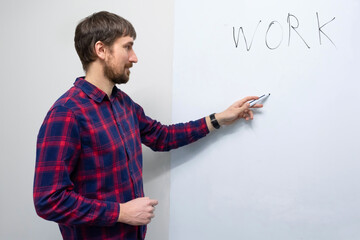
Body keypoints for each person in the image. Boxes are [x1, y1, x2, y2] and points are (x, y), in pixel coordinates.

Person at [33, 11, 263, 240]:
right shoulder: (66, 113)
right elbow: (49, 200)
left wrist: (219, 118)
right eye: (127, 47)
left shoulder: (122, 103)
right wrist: (121, 212)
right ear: (101, 50)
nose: (134, 57)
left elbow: (162, 137)